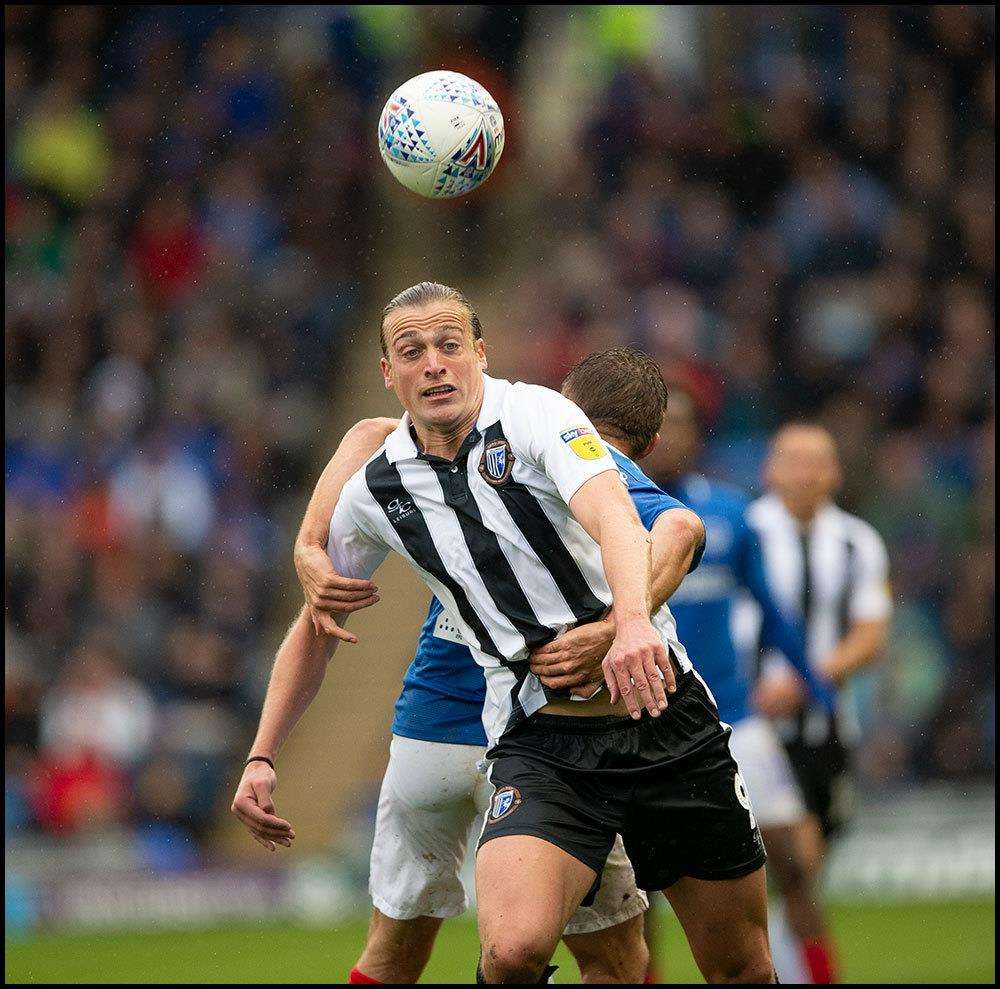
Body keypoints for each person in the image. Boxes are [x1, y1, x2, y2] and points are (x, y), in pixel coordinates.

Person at [232, 282, 775, 984]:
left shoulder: (541, 418)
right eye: (412, 351)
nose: (434, 364)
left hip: (663, 719)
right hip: (540, 744)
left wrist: (627, 625)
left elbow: (617, 514)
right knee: (513, 951)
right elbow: (321, 619)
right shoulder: (376, 487)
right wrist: (262, 753)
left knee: (741, 968)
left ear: (480, 355)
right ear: (387, 374)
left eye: (449, 346)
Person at [290, 347, 704, 985]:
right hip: (546, 733)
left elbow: (370, 436)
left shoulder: (445, 462)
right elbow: (678, 528)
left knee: (399, 952)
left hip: (430, 724)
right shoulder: (584, 468)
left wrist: (309, 543)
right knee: (616, 958)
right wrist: (622, 625)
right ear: (649, 442)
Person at [643, 388, 839, 984]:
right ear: (646, 436)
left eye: (683, 423)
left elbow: (774, 615)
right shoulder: (612, 511)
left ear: (697, 435)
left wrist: (816, 686)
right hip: (647, 719)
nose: (673, 435)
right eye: (663, 424)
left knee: (794, 867)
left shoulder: (730, 513)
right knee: (639, 892)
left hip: (735, 719)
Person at [749, 424, 892, 928]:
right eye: (794, 459)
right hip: (751, 723)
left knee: (807, 869)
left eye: (817, 461)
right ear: (770, 469)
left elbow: (871, 632)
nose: (805, 473)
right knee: (789, 863)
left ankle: (782, 960)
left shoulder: (857, 542)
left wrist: (809, 679)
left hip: (826, 727)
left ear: (834, 473)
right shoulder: (745, 533)